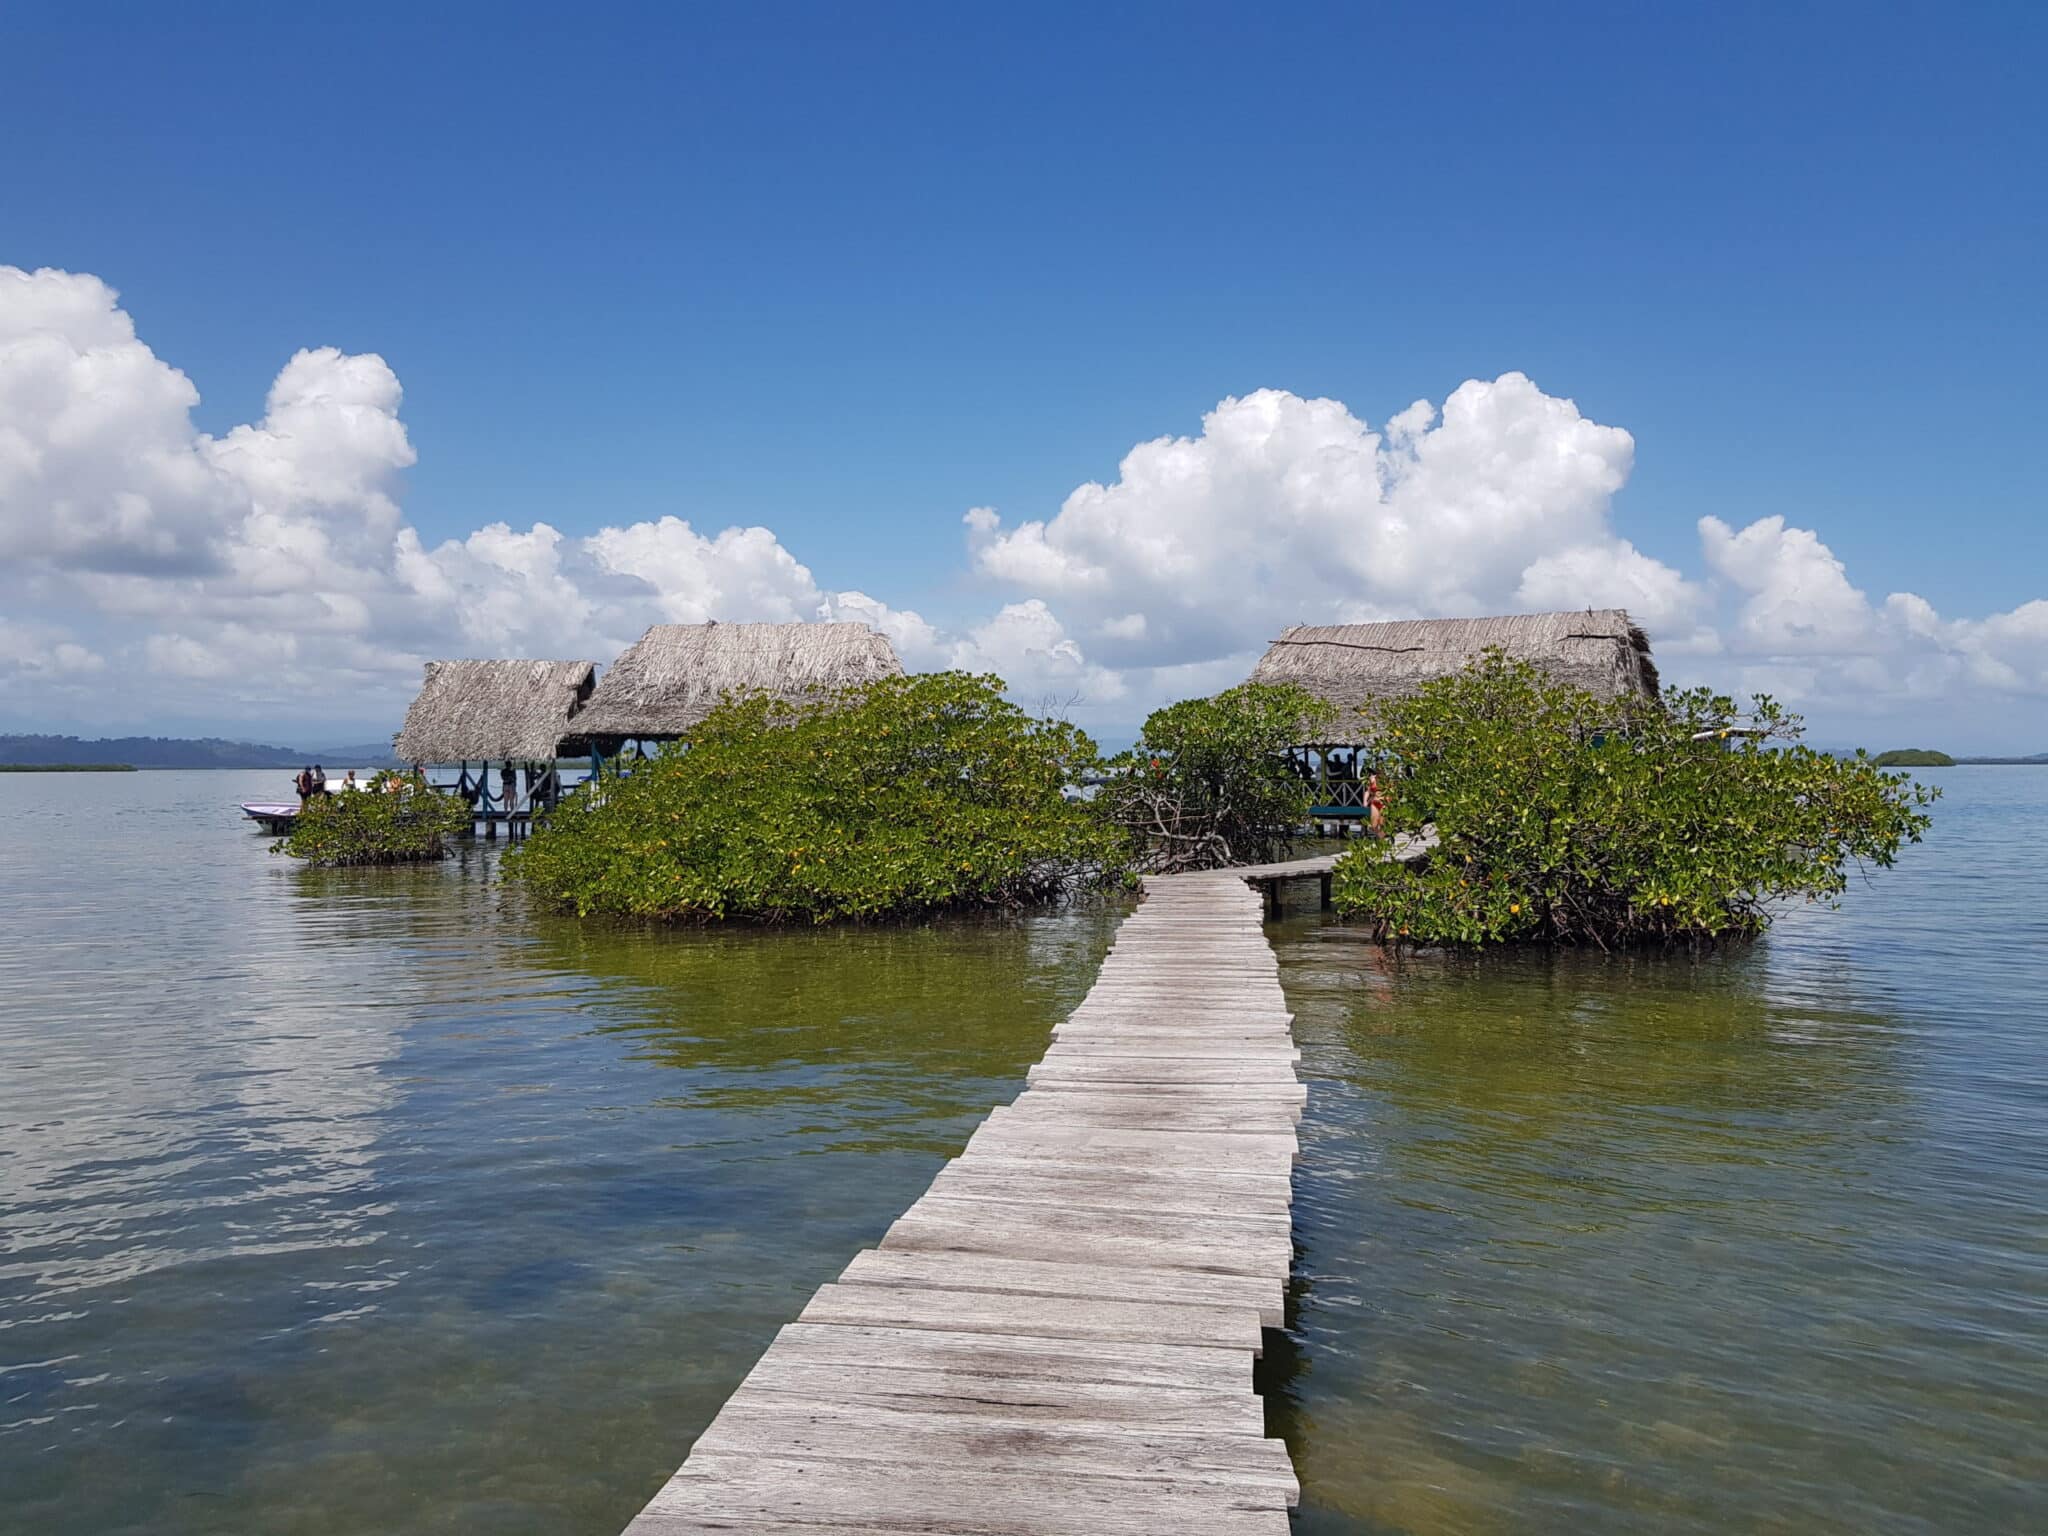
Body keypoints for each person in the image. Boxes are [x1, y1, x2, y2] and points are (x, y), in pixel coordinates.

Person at [1366, 772, 1386, 840]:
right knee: (1374, 825)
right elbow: (1368, 791)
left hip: (1384, 802)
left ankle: (1382, 840)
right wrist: (1365, 801)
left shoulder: (1387, 779)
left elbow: (1391, 791)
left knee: (1382, 823)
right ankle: (1380, 838)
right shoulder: (1372, 778)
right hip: (1374, 802)